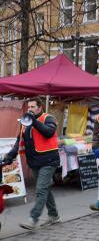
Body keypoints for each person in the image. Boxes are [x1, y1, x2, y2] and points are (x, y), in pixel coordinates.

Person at [2, 97, 60, 230]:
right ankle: (54, 215)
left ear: (40, 108)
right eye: (28, 108)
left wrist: (33, 122)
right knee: (45, 189)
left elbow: (49, 132)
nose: (30, 109)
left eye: (33, 107)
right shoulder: (25, 122)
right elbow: (19, 142)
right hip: (34, 162)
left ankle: (33, 218)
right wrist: (10, 156)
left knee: (41, 189)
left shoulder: (48, 118)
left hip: (49, 161)